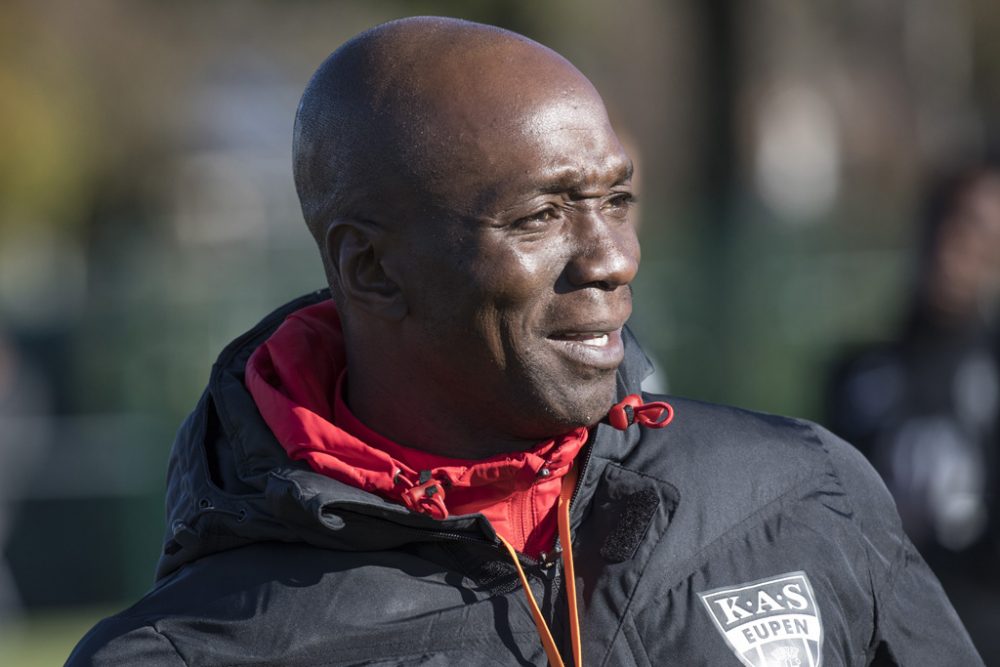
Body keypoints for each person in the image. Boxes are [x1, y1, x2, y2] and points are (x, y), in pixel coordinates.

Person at [69, 17, 980, 666]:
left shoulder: (806, 491)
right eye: (543, 214)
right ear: (373, 267)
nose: (614, 258)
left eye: (617, 201)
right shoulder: (192, 650)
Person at [827, 164, 1000, 661]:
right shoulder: (860, 372)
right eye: (943, 221)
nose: (953, 243)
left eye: (975, 228)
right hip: (884, 633)